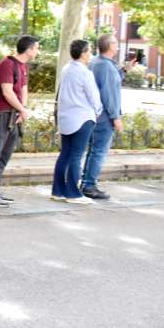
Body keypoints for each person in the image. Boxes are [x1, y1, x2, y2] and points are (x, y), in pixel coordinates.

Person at [0, 35, 40, 208]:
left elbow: (23, 89)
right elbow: (7, 92)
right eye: (36, 48)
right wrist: (22, 109)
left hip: (15, 114)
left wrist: (23, 110)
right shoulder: (7, 64)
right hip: (1, 114)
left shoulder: (23, 67)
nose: (37, 51)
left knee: (5, 154)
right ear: (29, 50)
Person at [51, 39, 101, 205]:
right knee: (76, 155)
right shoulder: (85, 73)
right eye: (89, 51)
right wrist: (98, 112)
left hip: (66, 118)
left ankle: (58, 191)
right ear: (84, 53)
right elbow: (93, 97)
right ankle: (73, 193)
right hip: (82, 118)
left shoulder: (66, 69)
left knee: (65, 154)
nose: (91, 54)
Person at [82, 34, 123, 200]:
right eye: (116, 42)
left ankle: (86, 183)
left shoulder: (95, 63)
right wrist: (116, 116)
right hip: (104, 116)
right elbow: (109, 94)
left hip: (93, 114)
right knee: (99, 151)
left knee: (93, 151)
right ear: (111, 46)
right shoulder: (106, 66)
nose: (118, 45)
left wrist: (124, 70)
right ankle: (89, 186)